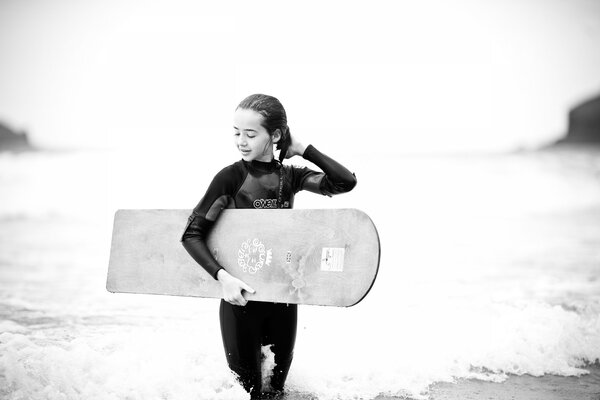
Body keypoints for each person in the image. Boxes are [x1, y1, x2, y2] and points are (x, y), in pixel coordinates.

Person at [180, 94, 357, 399]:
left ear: (274, 135)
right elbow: (192, 234)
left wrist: (303, 149)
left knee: (276, 393)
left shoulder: (289, 177)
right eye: (236, 132)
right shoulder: (230, 177)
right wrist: (223, 277)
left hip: (284, 301)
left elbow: (344, 182)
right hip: (241, 302)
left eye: (250, 134)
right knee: (248, 395)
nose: (241, 141)